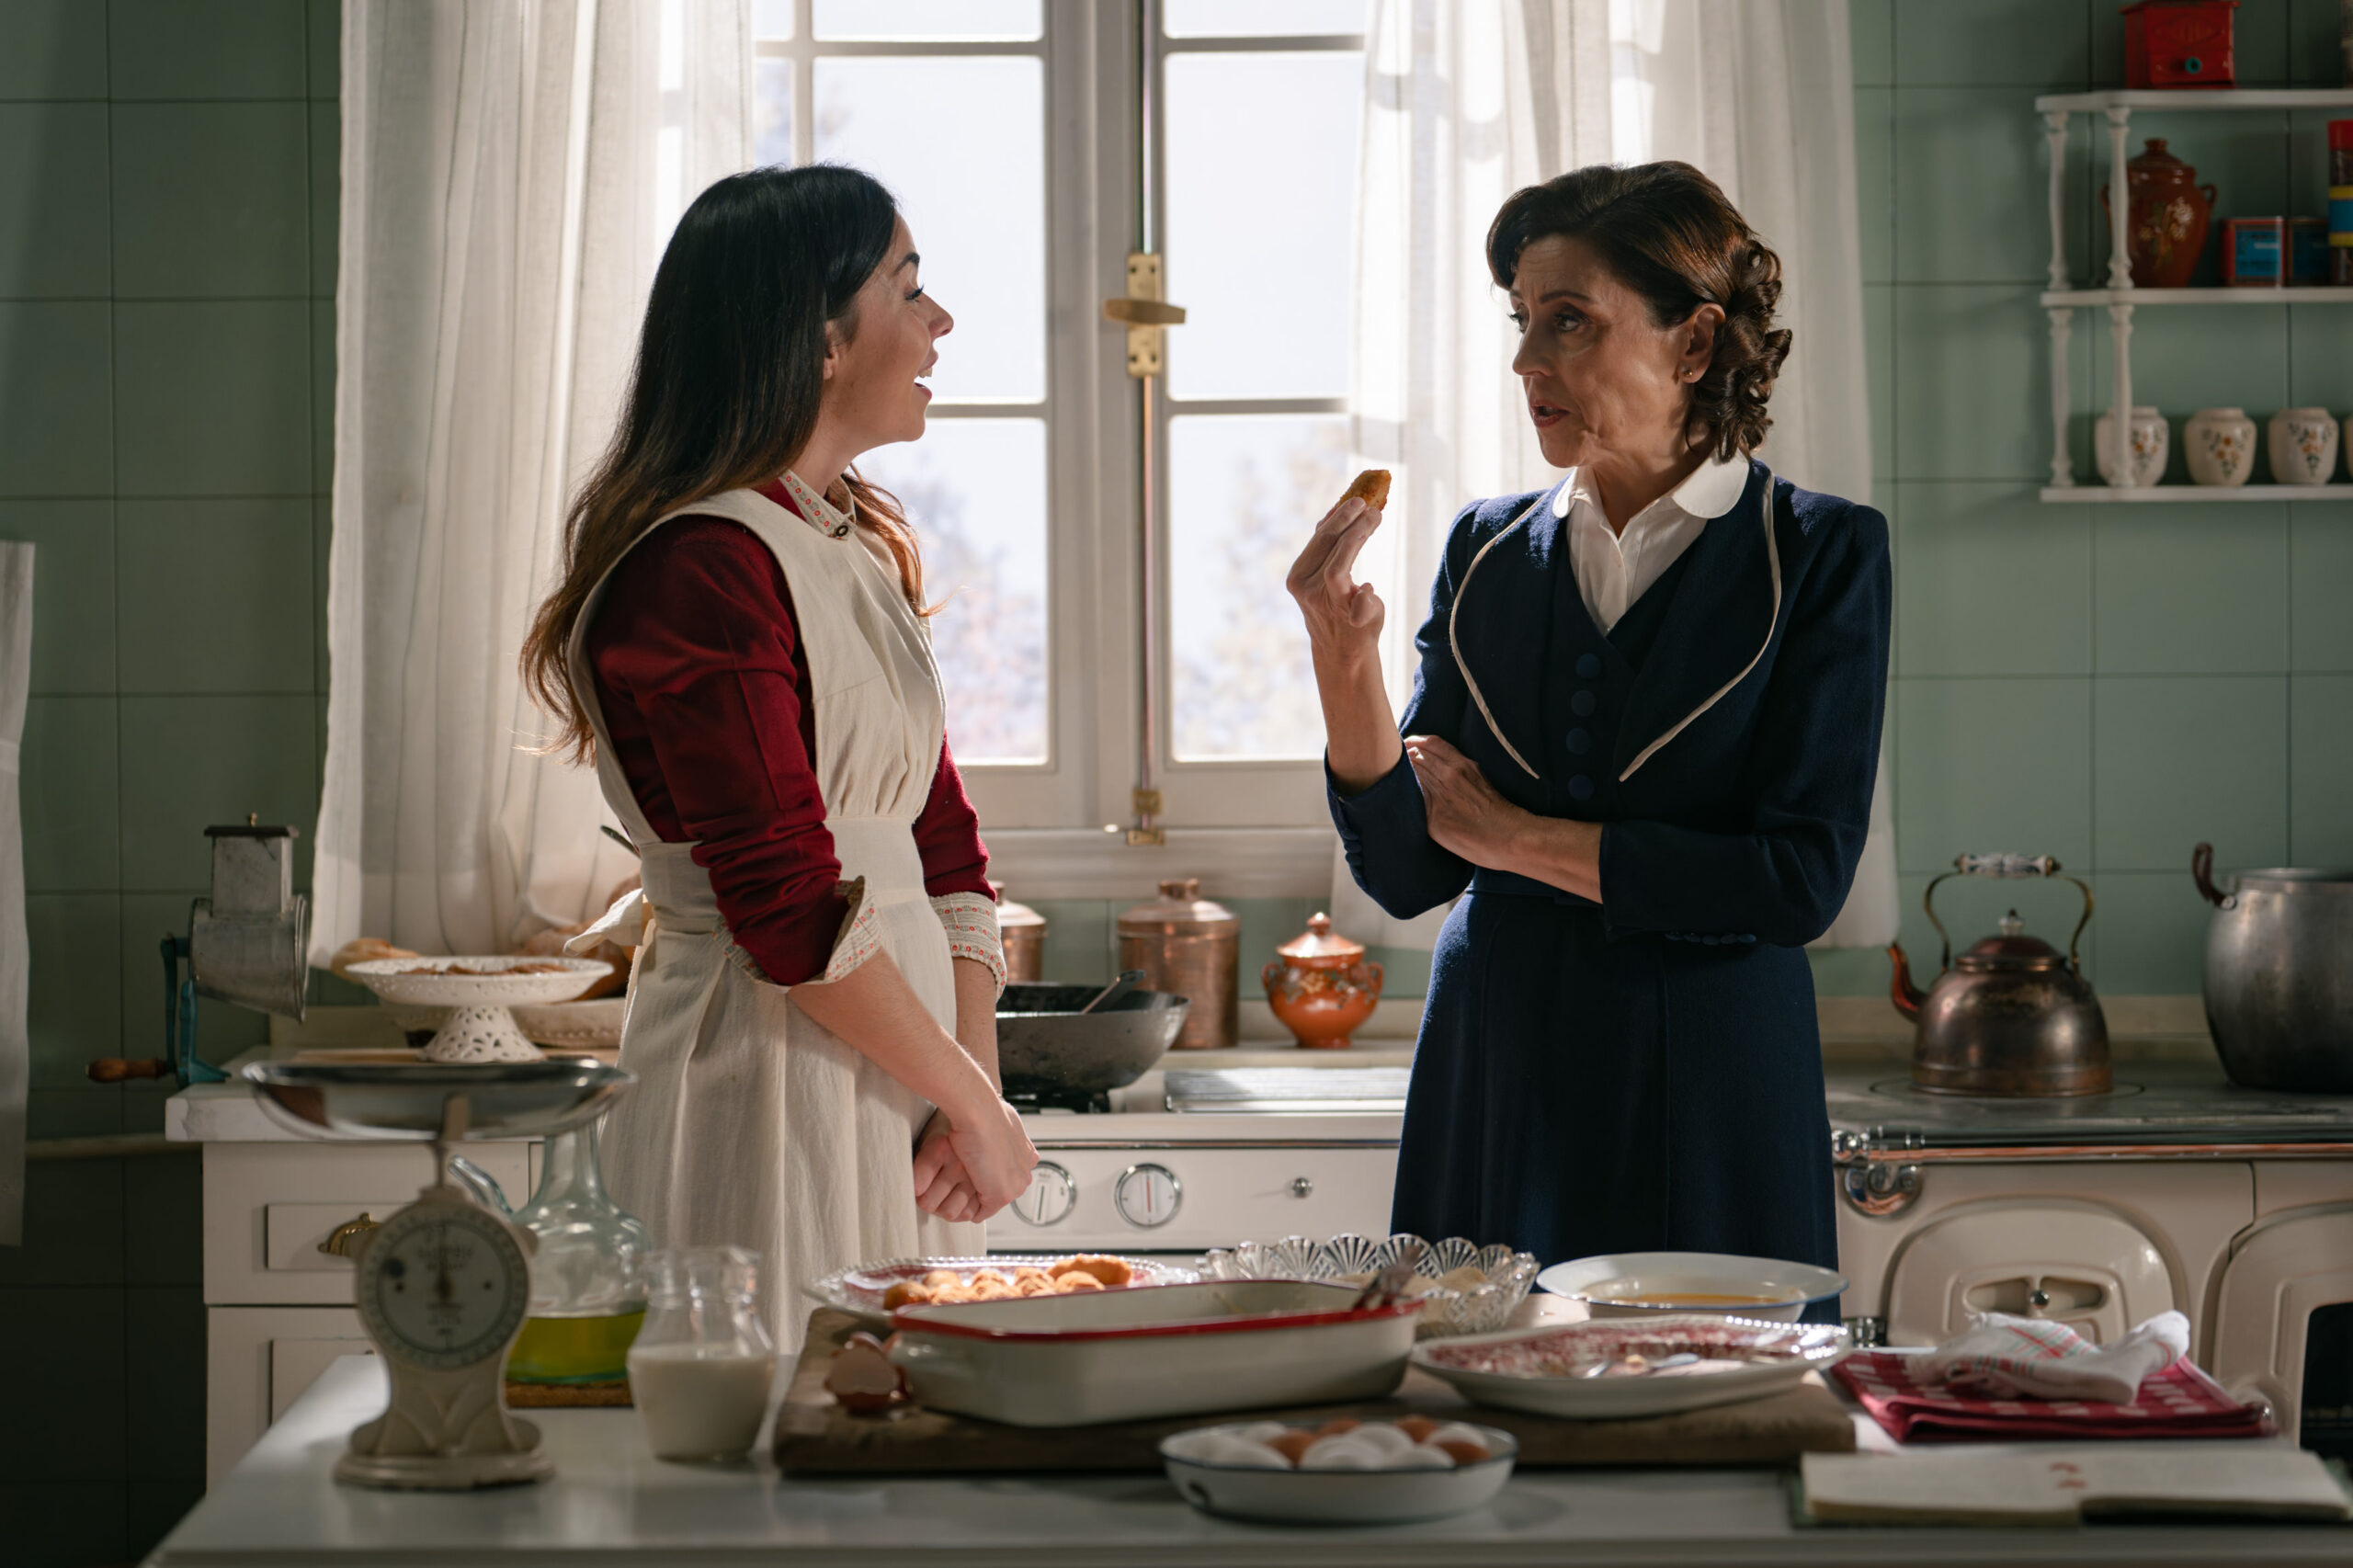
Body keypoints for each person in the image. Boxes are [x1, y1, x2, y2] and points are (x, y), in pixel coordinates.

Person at [1290, 163, 1890, 1292]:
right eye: (1521, 320)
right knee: (1480, 1381)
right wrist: (1341, 658)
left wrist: (1514, 839)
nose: (1526, 359)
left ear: (1695, 342)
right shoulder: (1482, 548)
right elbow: (1410, 869)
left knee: (1707, 1385)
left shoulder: (1818, 552)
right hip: (1499, 1057)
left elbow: (1797, 880)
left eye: (1567, 320)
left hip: (1715, 1073)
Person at [518, 165, 1036, 1350]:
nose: (941, 319)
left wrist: (972, 1095)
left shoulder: (852, 543)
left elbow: (942, 848)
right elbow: (786, 904)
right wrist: (971, 1100)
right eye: (908, 285)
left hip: (906, 1078)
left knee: (896, 1411)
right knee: (770, 1408)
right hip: (760, 1070)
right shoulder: (701, 567)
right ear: (821, 339)